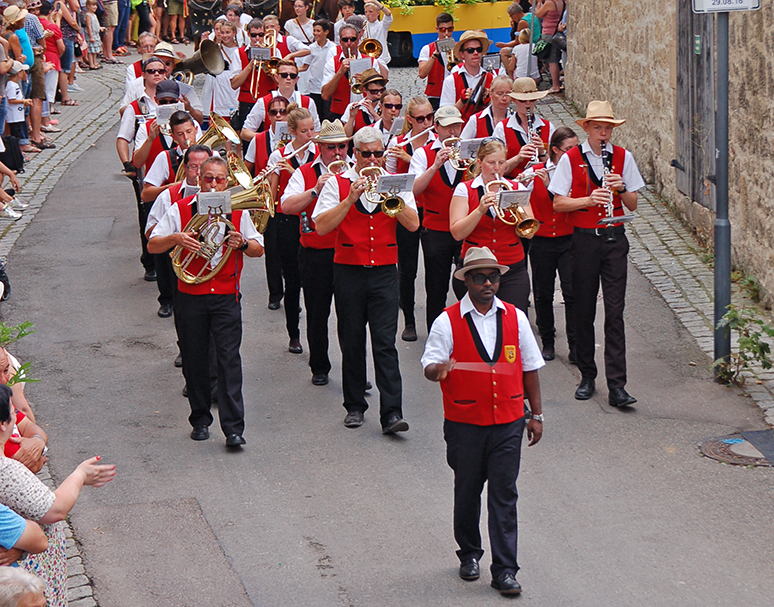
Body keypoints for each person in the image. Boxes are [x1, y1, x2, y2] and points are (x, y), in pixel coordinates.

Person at [421, 245, 544, 597]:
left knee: (504, 495)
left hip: (508, 421)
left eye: (493, 277)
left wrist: (536, 415)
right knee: (467, 490)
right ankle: (470, 552)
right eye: (480, 278)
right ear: (466, 282)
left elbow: (530, 368)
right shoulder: (447, 320)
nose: (488, 283)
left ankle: (505, 570)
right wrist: (438, 371)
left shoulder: (516, 318)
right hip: (465, 423)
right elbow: (429, 364)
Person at [148, 155, 265, 447]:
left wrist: (244, 243)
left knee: (229, 361)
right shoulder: (181, 209)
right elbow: (152, 243)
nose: (214, 184)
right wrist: (177, 238)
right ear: (199, 180)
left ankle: (234, 428)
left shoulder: (238, 212)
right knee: (195, 359)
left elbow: (258, 248)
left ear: (228, 182)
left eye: (220, 179)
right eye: (208, 178)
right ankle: (200, 419)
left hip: (226, 296)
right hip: (191, 297)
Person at [313, 126, 419, 432]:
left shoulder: (396, 183)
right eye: (366, 153)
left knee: (385, 343)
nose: (372, 158)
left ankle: (392, 413)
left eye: (377, 153)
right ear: (355, 155)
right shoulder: (337, 182)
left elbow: (413, 225)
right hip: (349, 269)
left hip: (385, 270)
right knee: (352, 339)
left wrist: (392, 196)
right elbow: (321, 226)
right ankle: (355, 404)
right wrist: (349, 200)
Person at [550, 100, 644, 406]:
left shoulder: (622, 157)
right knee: (584, 308)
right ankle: (588, 375)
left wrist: (620, 188)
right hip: (585, 240)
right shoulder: (571, 158)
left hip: (615, 238)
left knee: (615, 312)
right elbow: (558, 204)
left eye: (608, 129)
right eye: (598, 128)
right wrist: (588, 201)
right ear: (587, 128)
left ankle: (617, 384)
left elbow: (633, 204)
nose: (603, 134)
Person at [0, 384, 116, 607]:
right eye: (12, 412)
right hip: (21, 580)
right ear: (3, 424)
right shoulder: (5, 471)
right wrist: (80, 475)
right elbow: (54, 510)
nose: (16, 416)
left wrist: (38, 442)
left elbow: (35, 430)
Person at [280, 120, 349, 385]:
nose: (338, 153)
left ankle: (353, 371)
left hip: (346, 252)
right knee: (317, 313)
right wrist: (315, 190)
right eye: (331, 148)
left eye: (342, 146)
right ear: (320, 148)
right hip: (315, 253)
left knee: (350, 317)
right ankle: (319, 366)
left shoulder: (356, 170)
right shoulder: (305, 172)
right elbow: (286, 206)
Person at [449, 139, 535, 313]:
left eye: (501, 163)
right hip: (475, 269)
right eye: (491, 163)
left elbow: (529, 233)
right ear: (480, 163)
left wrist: (515, 210)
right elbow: (457, 233)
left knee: (514, 319)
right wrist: (480, 210)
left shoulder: (515, 188)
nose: (497, 168)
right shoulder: (465, 189)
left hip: (512, 268)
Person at [410, 105, 467, 332]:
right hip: (435, 229)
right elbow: (413, 190)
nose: (453, 132)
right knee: (436, 287)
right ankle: (436, 333)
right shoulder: (423, 154)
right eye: (448, 127)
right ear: (436, 128)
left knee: (467, 284)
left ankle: (467, 332)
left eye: (457, 126)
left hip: (464, 227)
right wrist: (435, 166)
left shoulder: (468, 150)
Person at [266, 103, 317, 354]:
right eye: (305, 131)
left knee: (312, 280)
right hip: (287, 221)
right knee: (292, 280)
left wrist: (295, 170)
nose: (310, 136)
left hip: (312, 218)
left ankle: (314, 334)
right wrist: (279, 171)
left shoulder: (317, 153)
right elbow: (273, 193)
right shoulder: (279, 155)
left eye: (312, 130)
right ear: (293, 132)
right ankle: (293, 334)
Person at [526, 126, 577, 362]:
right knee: (543, 293)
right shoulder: (536, 171)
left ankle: (576, 344)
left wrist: (551, 187)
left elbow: (575, 203)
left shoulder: (578, 173)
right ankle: (547, 340)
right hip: (542, 240)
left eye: (576, 148)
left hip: (569, 239)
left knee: (572, 292)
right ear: (555, 151)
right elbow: (520, 199)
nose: (574, 153)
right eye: (568, 149)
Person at [244, 95, 289, 310]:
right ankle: (275, 294)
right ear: (267, 117)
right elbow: (246, 167)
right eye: (274, 112)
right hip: (267, 202)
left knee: (290, 251)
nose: (279, 115)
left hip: (290, 201)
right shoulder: (259, 139)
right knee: (271, 250)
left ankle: (292, 293)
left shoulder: (296, 141)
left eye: (283, 112)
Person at [320, 22, 388, 121]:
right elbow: (325, 95)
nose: (349, 43)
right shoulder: (332, 63)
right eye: (345, 40)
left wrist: (366, 80)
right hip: (340, 113)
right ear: (340, 42)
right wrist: (340, 72)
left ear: (358, 41)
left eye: (352, 39)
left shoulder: (371, 61)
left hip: (366, 112)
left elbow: (380, 91)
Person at [240, 59, 319, 141]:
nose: (288, 78)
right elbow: (245, 132)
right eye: (284, 75)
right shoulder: (263, 102)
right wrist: (267, 139)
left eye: (292, 76)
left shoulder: (309, 102)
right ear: (276, 77)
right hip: (272, 149)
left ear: (297, 79)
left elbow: (317, 132)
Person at [494, 77, 553, 178]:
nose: (528, 104)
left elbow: (557, 167)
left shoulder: (548, 127)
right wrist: (518, 158)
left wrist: (542, 153)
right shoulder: (502, 128)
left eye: (532, 100)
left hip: (540, 184)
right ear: (514, 100)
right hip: (512, 184)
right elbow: (496, 169)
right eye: (523, 101)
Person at [229, 18, 279, 136]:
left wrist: (267, 64)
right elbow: (234, 84)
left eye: (261, 35)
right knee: (248, 141)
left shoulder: (274, 52)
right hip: (248, 102)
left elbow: (279, 80)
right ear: (248, 34)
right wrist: (251, 65)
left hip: (269, 101)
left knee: (269, 138)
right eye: (254, 35)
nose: (257, 39)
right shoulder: (239, 53)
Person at [439, 30, 495, 121]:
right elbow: (444, 115)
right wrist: (461, 102)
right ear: (462, 54)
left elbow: (498, 113)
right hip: (460, 131)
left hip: (484, 131)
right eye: (470, 50)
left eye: (479, 49)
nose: (475, 53)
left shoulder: (492, 78)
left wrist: (488, 102)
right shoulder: (451, 80)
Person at [417, 12, 454, 111]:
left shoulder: (459, 48)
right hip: (435, 96)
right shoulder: (427, 49)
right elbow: (422, 74)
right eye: (443, 30)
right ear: (437, 29)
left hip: (454, 94)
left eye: (450, 29)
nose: (446, 33)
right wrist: (433, 56)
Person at [460, 74, 513, 140]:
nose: (504, 98)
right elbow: (462, 145)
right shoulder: (475, 120)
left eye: (508, 94)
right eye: (500, 94)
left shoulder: (515, 118)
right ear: (491, 94)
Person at [302, 19, 335, 118]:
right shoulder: (311, 48)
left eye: (318, 31)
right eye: (314, 30)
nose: (315, 33)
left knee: (328, 115)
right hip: (314, 88)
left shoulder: (333, 48)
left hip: (328, 87)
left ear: (326, 32)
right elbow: (305, 66)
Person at [341, 68, 385, 137]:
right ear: (365, 90)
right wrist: (352, 117)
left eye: (382, 90)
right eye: (374, 91)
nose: (379, 94)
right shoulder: (352, 106)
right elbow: (346, 135)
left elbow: (388, 131)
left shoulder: (387, 106)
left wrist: (374, 114)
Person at [535, 0, 565, 94]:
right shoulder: (560, 2)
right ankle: (556, 82)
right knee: (554, 58)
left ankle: (555, 85)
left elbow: (537, 15)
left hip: (548, 33)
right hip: (555, 32)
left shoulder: (549, 3)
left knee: (551, 60)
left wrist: (539, 3)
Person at [83, 0, 102, 70]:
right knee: (91, 51)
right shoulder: (88, 15)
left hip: (96, 34)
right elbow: (89, 26)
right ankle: (91, 64)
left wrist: (100, 28)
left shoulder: (94, 15)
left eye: (95, 5)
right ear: (88, 6)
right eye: (92, 5)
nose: (95, 7)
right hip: (92, 35)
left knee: (95, 50)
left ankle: (94, 62)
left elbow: (96, 25)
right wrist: (91, 36)